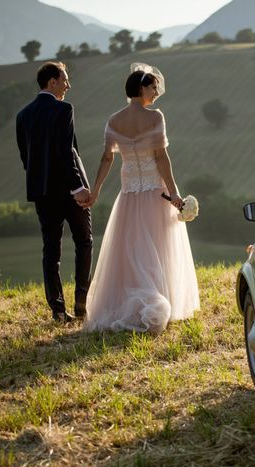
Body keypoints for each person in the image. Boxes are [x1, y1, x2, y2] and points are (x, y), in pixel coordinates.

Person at [83, 63, 199, 334]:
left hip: (129, 195)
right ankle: (155, 301)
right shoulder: (155, 117)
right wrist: (174, 194)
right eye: (152, 86)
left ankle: (128, 300)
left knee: (132, 250)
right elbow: (161, 158)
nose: (157, 91)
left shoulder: (114, 121)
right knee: (157, 248)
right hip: (154, 193)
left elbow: (107, 158)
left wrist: (96, 190)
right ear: (140, 88)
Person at [16, 62, 92, 323]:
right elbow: (65, 152)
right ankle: (82, 303)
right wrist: (79, 188)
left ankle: (58, 311)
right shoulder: (64, 109)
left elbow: (26, 158)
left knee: (51, 250)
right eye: (65, 80)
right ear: (52, 82)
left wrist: (41, 182)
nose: (68, 85)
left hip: (42, 192)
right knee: (84, 241)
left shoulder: (22, 115)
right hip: (70, 191)